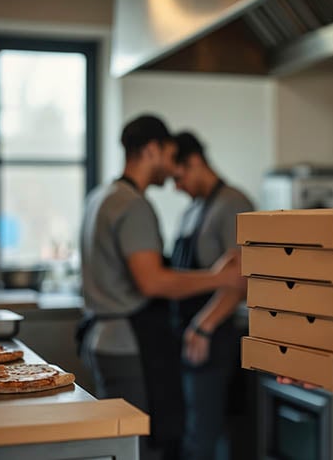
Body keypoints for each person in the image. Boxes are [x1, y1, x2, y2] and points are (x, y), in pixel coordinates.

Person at [78, 115, 241, 460]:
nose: (171, 171)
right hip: (126, 341)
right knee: (136, 445)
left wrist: (204, 323)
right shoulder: (132, 204)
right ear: (152, 150)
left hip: (114, 337)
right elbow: (152, 281)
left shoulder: (101, 196)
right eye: (168, 154)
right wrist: (218, 276)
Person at [170, 131, 254, 460]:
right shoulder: (193, 209)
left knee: (204, 435)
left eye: (179, 177)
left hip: (216, 335)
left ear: (194, 162)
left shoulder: (233, 203)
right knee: (192, 428)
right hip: (190, 332)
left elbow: (242, 275)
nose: (176, 187)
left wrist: (204, 326)